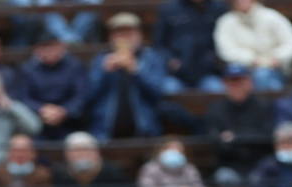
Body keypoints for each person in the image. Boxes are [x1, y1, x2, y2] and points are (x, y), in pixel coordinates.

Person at [84, 12, 173, 141]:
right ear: (111, 38)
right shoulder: (100, 60)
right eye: (120, 34)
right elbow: (88, 97)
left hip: (145, 130)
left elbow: (158, 94)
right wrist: (104, 72)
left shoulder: (152, 58)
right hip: (105, 131)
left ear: (139, 35)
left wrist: (136, 71)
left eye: (129, 33)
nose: (125, 38)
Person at [204, 61, 275, 187]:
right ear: (225, 84)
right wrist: (249, 138)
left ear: (250, 83)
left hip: (258, 164)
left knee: (265, 175)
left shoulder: (263, 106)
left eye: (240, 81)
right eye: (231, 82)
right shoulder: (216, 109)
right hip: (230, 165)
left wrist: (235, 137)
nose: (236, 86)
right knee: (223, 176)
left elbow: (267, 138)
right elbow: (215, 142)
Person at [212, 0, 292, 92]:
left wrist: (277, 57)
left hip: (274, 70)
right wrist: (251, 60)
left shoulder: (272, 17)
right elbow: (225, 51)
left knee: (265, 77)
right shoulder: (226, 22)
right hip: (240, 73)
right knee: (213, 86)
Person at [16, 30, 88, 141]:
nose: (49, 51)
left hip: (70, 124)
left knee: (81, 141)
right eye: (44, 47)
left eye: (52, 46)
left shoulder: (75, 66)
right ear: (36, 50)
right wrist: (41, 109)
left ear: (62, 47)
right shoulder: (27, 69)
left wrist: (64, 111)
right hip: (37, 124)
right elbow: (23, 98)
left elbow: (81, 95)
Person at [154, 0, 229, 93]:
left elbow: (225, 41)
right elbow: (159, 44)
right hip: (177, 74)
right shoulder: (169, 9)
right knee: (168, 90)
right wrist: (170, 60)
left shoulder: (218, 8)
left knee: (218, 89)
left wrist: (214, 60)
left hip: (208, 72)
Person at [52, 130, 132, 187]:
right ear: (67, 154)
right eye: (77, 151)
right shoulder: (60, 173)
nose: (82, 155)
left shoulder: (111, 170)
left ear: (97, 152)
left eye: (86, 150)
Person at [137, 136, 208, 187]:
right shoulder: (149, 168)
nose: (175, 152)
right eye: (172, 149)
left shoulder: (190, 169)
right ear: (161, 151)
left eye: (179, 150)